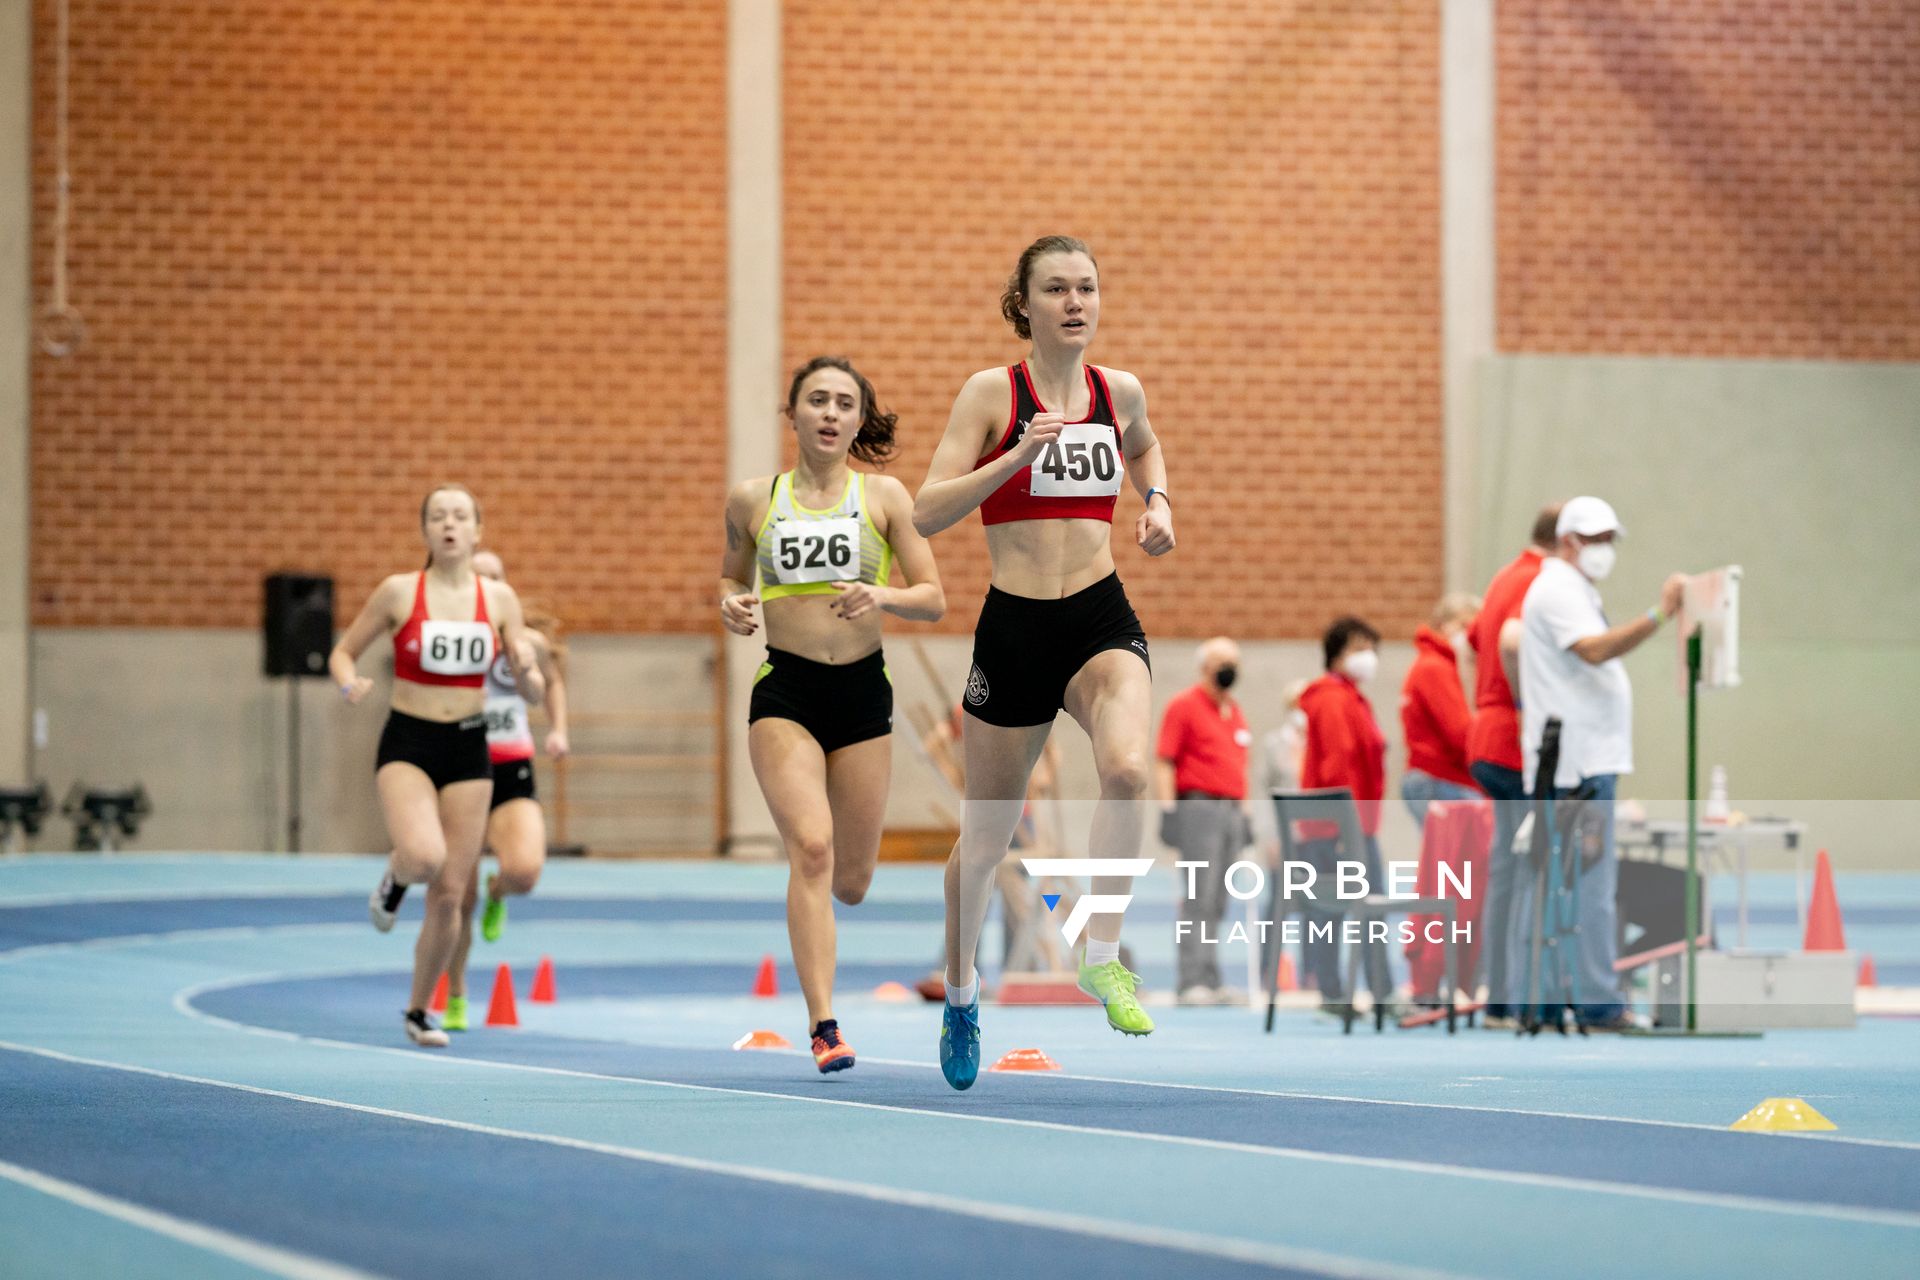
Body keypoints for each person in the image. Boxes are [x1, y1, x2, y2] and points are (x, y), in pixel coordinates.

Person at [914, 235, 1175, 1090]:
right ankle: (960, 994)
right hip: (1016, 629)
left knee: (1131, 771)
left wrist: (1157, 502)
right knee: (984, 841)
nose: (1075, 301)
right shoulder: (993, 394)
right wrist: (1016, 456)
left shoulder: (1117, 390)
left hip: (1099, 616)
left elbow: (1141, 444)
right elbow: (924, 514)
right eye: (1056, 288)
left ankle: (1102, 955)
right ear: (1023, 304)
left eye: (1087, 287)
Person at [721, 355, 946, 1073]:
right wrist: (730, 600)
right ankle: (824, 1024)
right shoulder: (754, 499)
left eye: (843, 403)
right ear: (792, 414)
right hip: (784, 692)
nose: (829, 412)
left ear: (857, 419)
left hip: (860, 694)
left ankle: (826, 985)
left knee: (851, 880)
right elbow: (731, 572)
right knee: (810, 849)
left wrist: (880, 596)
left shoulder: (882, 497)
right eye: (816, 399)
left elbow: (934, 596)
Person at [329, 485, 544, 1047]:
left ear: (477, 530)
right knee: (424, 856)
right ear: (425, 530)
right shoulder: (400, 592)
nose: (449, 525)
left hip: (470, 748)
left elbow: (532, 688)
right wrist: (349, 681)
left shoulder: (499, 600)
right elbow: (343, 650)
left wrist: (526, 669)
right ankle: (394, 880)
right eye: (438, 516)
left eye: (460, 516)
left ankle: (418, 1010)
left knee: (451, 892)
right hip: (410, 741)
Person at [1513, 496, 1685, 1031]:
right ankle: (1596, 1002)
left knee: (1561, 884)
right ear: (1569, 542)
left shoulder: (1573, 588)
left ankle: (1548, 998)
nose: (1607, 550)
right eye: (1597, 539)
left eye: (1612, 539)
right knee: (1587, 889)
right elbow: (1593, 651)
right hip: (1576, 767)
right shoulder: (1557, 589)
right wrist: (1661, 614)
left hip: (1580, 762)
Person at [437, 549, 570, 1032]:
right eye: (480, 578)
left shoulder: (526, 641)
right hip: (460, 768)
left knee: (525, 870)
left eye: (497, 579)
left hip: (512, 769)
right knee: (457, 896)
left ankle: (500, 890)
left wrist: (557, 729)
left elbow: (551, 682)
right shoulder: (447, 639)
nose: (488, 587)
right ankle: (455, 994)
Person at [1466, 503, 1560, 1026]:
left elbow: (1475, 643)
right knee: (1529, 870)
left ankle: (1501, 996)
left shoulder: (1505, 576)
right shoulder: (1540, 580)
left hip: (1487, 733)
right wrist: (1528, 709)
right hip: (1513, 740)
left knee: (1506, 871)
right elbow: (1509, 641)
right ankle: (1521, 997)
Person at [1296, 617, 1393, 1013]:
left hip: (1352, 822)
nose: (1367, 656)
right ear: (1335, 653)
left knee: (1352, 911)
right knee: (1344, 912)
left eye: (1371, 647)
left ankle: (1350, 992)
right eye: (1357, 647)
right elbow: (1338, 767)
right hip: (1339, 826)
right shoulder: (1333, 699)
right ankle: (1350, 993)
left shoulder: (1352, 697)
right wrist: (1344, 827)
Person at [1155, 637, 1252, 1005]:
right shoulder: (1184, 706)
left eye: (1235, 661)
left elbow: (1242, 765)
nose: (1230, 668)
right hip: (1198, 808)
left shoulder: (1235, 712)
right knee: (1198, 894)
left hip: (1230, 811)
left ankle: (1211, 977)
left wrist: (1246, 815)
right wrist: (1168, 810)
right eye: (1222, 661)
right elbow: (1164, 760)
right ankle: (1191, 978)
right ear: (1204, 667)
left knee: (1218, 899)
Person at [1399, 592, 1483, 826]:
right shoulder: (1435, 668)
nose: (1470, 634)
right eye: (1464, 625)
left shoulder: (1431, 665)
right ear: (1443, 625)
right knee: (1455, 858)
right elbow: (1460, 733)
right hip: (1440, 777)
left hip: (1434, 777)